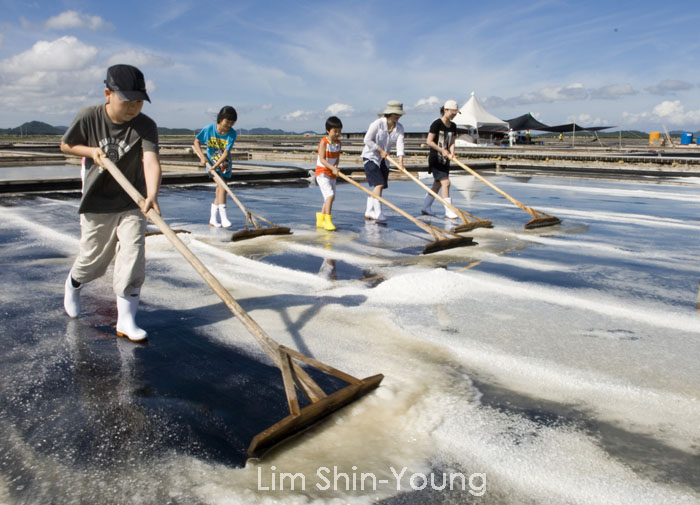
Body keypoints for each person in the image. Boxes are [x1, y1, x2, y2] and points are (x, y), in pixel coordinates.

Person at [61, 64, 162, 343]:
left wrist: (151, 194)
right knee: (93, 260)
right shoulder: (89, 117)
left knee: (133, 254)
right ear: (108, 94)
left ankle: (126, 321)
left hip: (132, 200)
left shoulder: (146, 126)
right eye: (127, 101)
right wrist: (90, 151)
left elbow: (150, 161)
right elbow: (66, 145)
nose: (133, 107)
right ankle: (73, 284)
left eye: (139, 101)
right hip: (98, 200)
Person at [192, 106, 238, 228]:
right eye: (227, 122)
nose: (229, 125)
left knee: (219, 190)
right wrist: (203, 157)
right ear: (220, 119)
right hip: (211, 163)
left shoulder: (232, 134)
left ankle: (213, 219)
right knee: (223, 186)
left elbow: (226, 153)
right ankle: (223, 218)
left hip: (224, 165)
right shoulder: (209, 129)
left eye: (232, 123)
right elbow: (196, 141)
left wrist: (216, 166)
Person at [361, 100, 405, 223]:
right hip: (371, 157)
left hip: (384, 160)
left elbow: (400, 144)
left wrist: (401, 161)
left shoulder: (399, 128)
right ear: (389, 113)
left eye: (399, 114)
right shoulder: (378, 123)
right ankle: (378, 212)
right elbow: (367, 140)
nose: (398, 116)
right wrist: (379, 150)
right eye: (395, 114)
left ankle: (369, 210)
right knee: (379, 184)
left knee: (379, 186)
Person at [422, 100, 459, 218]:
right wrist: (442, 150)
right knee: (446, 183)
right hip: (436, 159)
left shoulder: (453, 126)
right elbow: (429, 141)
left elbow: (452, 142)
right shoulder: (437, 124)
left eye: (456, 112)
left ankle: (426, 207)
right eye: (452, 112)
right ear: (445, 110)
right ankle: (449, 210)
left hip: (445, 159)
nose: (454, 114)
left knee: (437, 185)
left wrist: (452, 153)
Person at [315, 116, 343, 231]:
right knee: (330, 195)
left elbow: (337, 158)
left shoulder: (338, 143)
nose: (337, 134)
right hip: (322, 172)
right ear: (328, 131)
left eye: (339, 131)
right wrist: (332, 168)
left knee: (329, 197)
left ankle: (320, 219)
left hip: (331, 172)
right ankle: (328, 220)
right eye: (335, 131)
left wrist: (335, 167)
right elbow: (322, 159)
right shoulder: (324, 142)